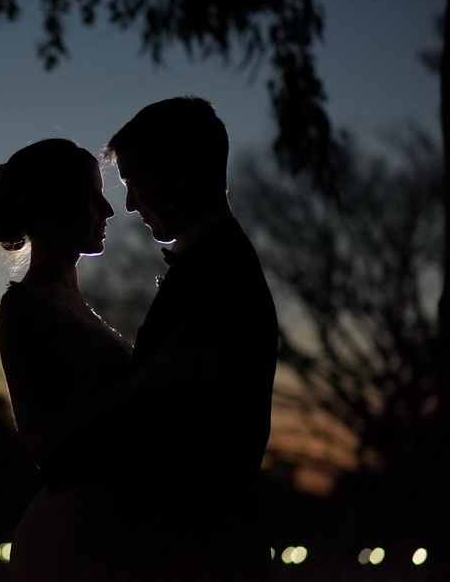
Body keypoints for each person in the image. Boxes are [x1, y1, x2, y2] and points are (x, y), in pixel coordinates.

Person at [0, 138, 195, 580]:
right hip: (72, 541)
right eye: (91, 196)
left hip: (109, 531)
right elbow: (42, 441)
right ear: (49, 206)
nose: (109, 210)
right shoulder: (25, 307)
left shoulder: (76, 304)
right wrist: (153, 380)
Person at [103, 96, 279, 580]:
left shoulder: (215, 270)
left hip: (195, 548)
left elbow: (180, 428)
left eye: (134, 183)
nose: (129, 205)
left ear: (179, 170)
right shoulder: (218, 259)